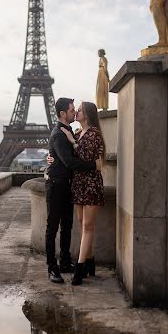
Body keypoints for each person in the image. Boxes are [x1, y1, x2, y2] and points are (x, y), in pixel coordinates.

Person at [46, 97, 101, 284]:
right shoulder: (65, 133)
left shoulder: (77, 132)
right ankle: (53, 267)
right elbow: (68, 159)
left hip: (77, 184)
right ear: (63, 113)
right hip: (64, 184)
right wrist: (49, 159)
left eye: (77, 110)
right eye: (72, 110)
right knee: (56, 227)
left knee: (72, 226)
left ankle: (71, 264)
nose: (75, 112)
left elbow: (76, 154)